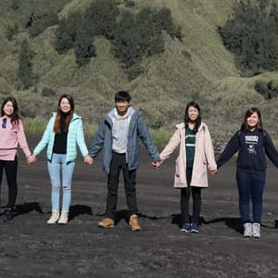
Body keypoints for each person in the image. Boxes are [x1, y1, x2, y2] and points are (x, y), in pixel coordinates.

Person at [85, 90, 161, 231]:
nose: (121, 105)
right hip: (113, 156)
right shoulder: (109, 117)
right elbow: (100, 137)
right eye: (119, 102)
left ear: (129, 103)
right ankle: (109, 217)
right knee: (111, 187)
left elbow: (146, 137)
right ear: (115, 103)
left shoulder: (135, 117)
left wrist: (155, 157)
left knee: (130, 188)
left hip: (129, 157)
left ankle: (133, 217)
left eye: (124, 102)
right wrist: (91, 155)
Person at [216, 107, 278, 238]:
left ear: (259, 119)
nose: (251, 119)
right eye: (249, 117)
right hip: (243, 172)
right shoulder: (240, 134)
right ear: (246, 119)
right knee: (244, 199)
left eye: (254, 117)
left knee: (257, 200)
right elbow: (229, 150)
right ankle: (246, 225)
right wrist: (217, 165)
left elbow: (273, 153)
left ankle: (256, 224)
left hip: (259, 172)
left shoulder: (263, 135)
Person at [27, 94, 90, 225]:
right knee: (55, 186)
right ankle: (55, 213)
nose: (65, 105)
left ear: (71, 105)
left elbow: (80, 140)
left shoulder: (77, 120)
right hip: (53, 157)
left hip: (68, 157)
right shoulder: (53, 119)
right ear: (59, 105)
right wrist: (34, 153)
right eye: (63, 103)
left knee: (66, 186)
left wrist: (86, 155)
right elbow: (45, 138)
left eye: (67, 103)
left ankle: (64, 214)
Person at [157, 101, 218, 233]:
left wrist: (212, 165)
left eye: (195, 111)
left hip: (198, 166)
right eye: (190, 111)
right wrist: (160, 159)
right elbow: (172, 145)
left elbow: (208, 147)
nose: (192, 113)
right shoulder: (181, 128)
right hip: (184, 166)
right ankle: (185, 222)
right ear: (187, 113)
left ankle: (195, 223)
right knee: (185, 194)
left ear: (198, 112)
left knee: (196, 194)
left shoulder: (203, 128)